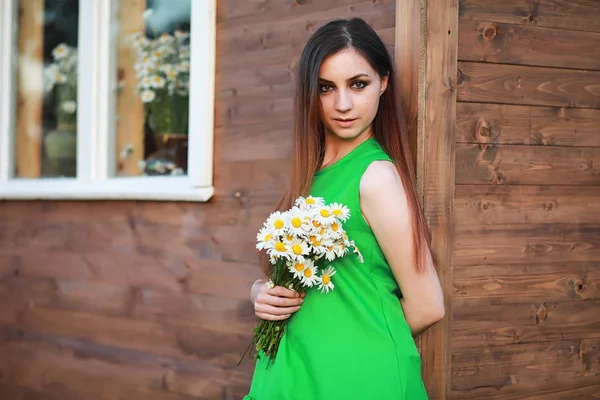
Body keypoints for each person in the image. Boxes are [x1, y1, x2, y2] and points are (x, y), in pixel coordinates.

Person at [244, 17, 445, 400]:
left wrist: (345, 345)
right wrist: (261, 293)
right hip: (292, 371)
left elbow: (427, 305)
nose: (343, 104)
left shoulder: (375, 177)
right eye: (326, 88)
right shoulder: (312, 173)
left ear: (383, 82)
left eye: (358, 84)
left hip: (353, 378)